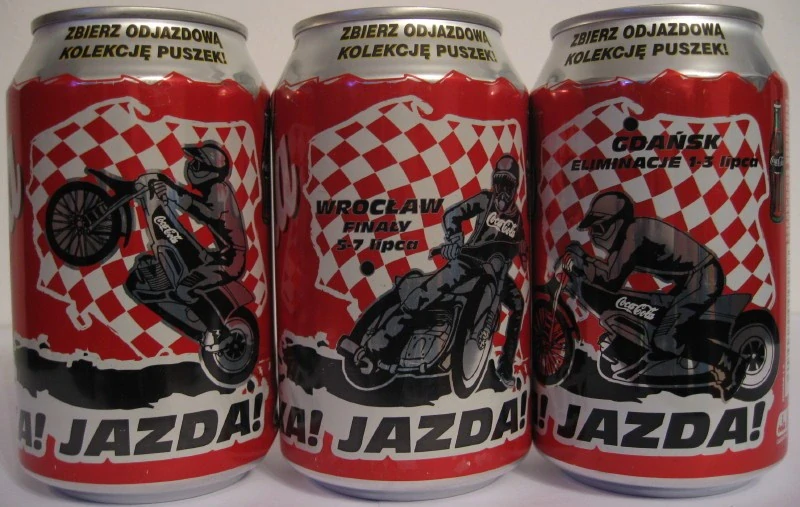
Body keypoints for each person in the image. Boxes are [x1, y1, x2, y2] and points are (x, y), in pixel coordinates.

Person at [355, 155, 526, 388]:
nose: (502, 192)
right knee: (426, 293)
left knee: (518, 304)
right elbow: (453, 214)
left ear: (515, 187)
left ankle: (505, 366)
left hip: (497, 276)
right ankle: (381, 342)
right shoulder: (486, 200)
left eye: (508, 185)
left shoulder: (519, 220)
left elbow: (522, 249)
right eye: (499, 183)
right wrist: (455, 239)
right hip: (469, 261)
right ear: (494, 182)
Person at [564, 190, 746, 399]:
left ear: (617, 222)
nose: (594, 235)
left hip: (703, 278)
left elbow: (611, 280)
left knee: (665, 338)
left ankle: (730, 363)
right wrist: (586, 263)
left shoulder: (633, 235)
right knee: (655, 317)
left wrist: (583, 261)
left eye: (599, 228)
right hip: (690, 279)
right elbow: (609, 271)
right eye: (592, 229)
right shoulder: (630, 233)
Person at [126, 140, 248, 351]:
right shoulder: (216, 188)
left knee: (185, 288)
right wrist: (172, 190)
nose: (192, 167)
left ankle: (219, 333)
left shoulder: (220, 190)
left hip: (230, 260)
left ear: (210, 171)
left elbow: (207, 213)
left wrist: (174, 194)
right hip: (219, 255)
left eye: (198, 164)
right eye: (193, 162)